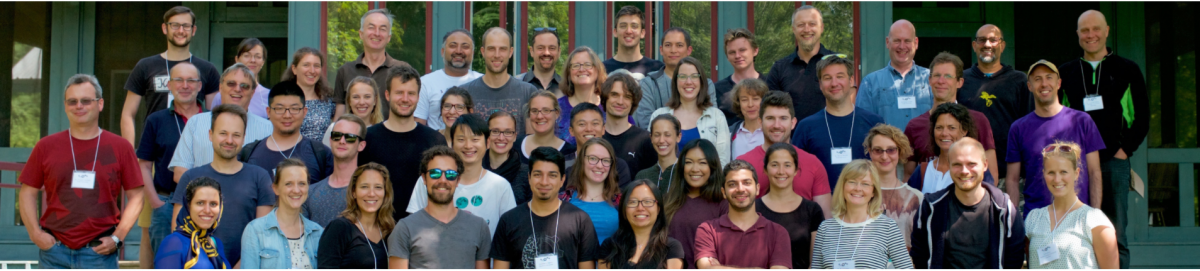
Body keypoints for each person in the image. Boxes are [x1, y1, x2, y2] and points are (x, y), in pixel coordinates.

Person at [20, 74, 145, 269]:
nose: (79, 106)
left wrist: (118, 237)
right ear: (65, 106)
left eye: (86, 101)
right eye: (72, 101)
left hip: (99, 253)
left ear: (100, 104)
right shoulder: (46, 146)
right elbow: (27, 192)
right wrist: (35, 234)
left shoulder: (120, 147)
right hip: (54, 252)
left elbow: (137, 196)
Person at [1057, 11, 1147, 268]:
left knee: (1114, 232)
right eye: (1084, 30)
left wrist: (1124, 150)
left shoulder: (1127, 69)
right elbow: (1059, 117)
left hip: (1112, 162)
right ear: (1077, 35)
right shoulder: (1066, 72)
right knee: (1075, 230)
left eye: (1096, 29)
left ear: (1107, 31)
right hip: (1075, 165)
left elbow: (1141, 117)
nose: (1090, 35)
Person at [171, 104, 276, 267]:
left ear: (243, 138)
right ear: (210, 135)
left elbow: (263, 235)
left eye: (236, 135)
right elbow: (178, 234)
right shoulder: (190, 177)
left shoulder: (259, 177)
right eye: (223, 133)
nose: (229, 140)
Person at [1006, 60, 1105, 215]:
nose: (1044, 84)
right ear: (1029, 86)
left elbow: (1094, 172)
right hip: (1036, 217)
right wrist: (1012, 222)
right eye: (1037, 79)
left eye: (1049, 77)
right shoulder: (1018, 128)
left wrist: (1096, 214)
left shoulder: (1082, 121)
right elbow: (1012, 179)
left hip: (1078, 216)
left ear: (1059, 83)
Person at [910, 138, 1024, 269]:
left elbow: (1014, 258)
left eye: (971, 164)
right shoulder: (930, 207)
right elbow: (920, 254)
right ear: (949, 165)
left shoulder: (1005, 209)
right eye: (957, 164)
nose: (964, 171)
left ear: (985, 165)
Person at [135, 62, 206, 268]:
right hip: (166, 203)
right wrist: (155, 202)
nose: (185, 85)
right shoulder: (155, 120)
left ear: (199, 86)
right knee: (166, 264)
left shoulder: (213, 119)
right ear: (169, 85)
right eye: (178, 80)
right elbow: (144, 165)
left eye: (191, 81)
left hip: (205, 205)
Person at [357, 65, 447, 221]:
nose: (405, 99)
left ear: (418, 97)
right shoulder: (368, 138)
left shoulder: (435, 140)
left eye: (411, 93)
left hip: (422, 229)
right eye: (399, 93)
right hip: (377, 228)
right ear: (387, 95)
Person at [121, 6, 221, 146]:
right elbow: (128, 114)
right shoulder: (145, 66)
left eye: (186, 26)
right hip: (154, 148)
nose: (180, 31)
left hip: (196, 148)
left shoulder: (207, 69)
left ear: (193, 30)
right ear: (164, 28)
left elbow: (212, 116)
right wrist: (130, 153)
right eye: (175, 25)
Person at [490, 147, 600, 269]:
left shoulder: (580, 220)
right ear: (529, 178)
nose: (544, 182)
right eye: (538, 174)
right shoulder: (509, 220)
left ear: (562, 180)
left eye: (552, 175)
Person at [406, 114, 518, 235]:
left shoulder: (500, 186)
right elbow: (414, 226)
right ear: (452, 143)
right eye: (461, 139)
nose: (468, 146)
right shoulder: (432, 180)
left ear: (488, 143)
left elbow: (510, 232)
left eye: (475, 139)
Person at [389, 146, 492, 269]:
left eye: (450, 174)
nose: (443, 180)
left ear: (457, 180)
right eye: (435, 173)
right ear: (424, 179)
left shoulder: (479, 227)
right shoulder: (405, 229)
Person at [791, 54, 884, 190]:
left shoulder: (874, 123)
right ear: (821, 85)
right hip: (820, 207)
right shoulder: (806, 127)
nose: (834, 83)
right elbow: (797, 173)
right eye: (827, 78)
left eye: (840, 76)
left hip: (864, 206)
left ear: (851, 80)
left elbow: (884, 167)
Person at [169, 63, 274, 182]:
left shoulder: (268, 128)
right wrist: (209, 194)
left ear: (253, 92)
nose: (237, 89)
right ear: (220, 87)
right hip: (203, 198)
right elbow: (180, 173)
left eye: (244, 86)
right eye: (231, 83)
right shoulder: (196, 123)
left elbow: (273, 175)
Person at [956, 24, 1033, 185]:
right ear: (974, 45)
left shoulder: (1019, 81)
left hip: (1011, 175)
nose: (987, 45)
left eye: (993, 40)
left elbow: (1029, 128)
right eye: (982, 40)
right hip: (968, 173)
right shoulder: (962, 80)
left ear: (1002, 45)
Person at [903, 52, 998, 182]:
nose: (941, 81)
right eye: (936, 75)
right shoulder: (914, 126)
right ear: (929, 80)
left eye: (948, 76)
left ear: (959, 82)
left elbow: (991, 175)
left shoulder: (978, 120)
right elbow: (909, 176)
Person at [736, 91, 831, 216]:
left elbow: (824, 220)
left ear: (793, 123)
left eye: (783, 118)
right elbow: (736, 215)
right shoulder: (743, 165)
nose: (777, 125)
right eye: (770, 118)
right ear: (760, 122)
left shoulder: (813, 164)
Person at [1026, 141, 1119, 269]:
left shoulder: (1094, 220)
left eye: (1064, 172)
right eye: (1051, 173)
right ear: (1044, 174)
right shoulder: (1033, 219)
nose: (1057, 179)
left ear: (1076, 173)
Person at [810, 160, 913, 269]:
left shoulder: (887, 227)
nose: (858, 188)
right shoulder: (825, 228)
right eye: (852, 182)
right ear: (843, 186)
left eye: (865, 184)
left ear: (873, 191)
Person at [694, 160, 792, 269]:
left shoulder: (778, 233)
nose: (740, 189)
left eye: (747, 183)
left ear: (757, 189)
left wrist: (721, 268)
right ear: (723, 192)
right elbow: (707, 269)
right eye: (732, 184)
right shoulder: (707, 230)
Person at [239, 82, 334, 184]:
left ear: (304, 112)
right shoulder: (248, 153)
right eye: (280, 108)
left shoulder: (321, 154)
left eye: (294, 109)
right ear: (268, 112)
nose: (287, 115)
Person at [240, 159, 324, 269]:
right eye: (288, 184)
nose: (296, 190)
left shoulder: (317, 233)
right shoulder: (255, 231)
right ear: (276, 188)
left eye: (302, 183)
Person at [649, 57, 731, 165]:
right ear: (676, 81)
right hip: (668, 181)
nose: (688, 82)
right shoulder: (659, 115)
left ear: (701, 81)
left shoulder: (716, 116)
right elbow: (651, 158)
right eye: (682, 76)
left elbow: (723, 161)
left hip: (707, 181)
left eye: (694, 76)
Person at [755, 143, 825, 269]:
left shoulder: (812, 210)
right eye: (775, 165)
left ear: (796, 170)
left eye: (787, 165)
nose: (781, 171)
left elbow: (815, 263)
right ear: (765, 169)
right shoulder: (753, 209)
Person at [763, 5, 839, 120]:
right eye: (801, 25)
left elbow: (847, 105)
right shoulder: (779, 68)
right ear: (794, 29)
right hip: (792, 137)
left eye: (812, 24)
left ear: (822, 28)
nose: (807, 29)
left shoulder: (837, 64)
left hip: (830, 136)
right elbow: (770, 111)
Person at [332, 8, 412, 118]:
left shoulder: (402, 69)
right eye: (371, 27)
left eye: (382, 29)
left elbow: (410, 110)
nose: (377, 33)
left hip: (390, 135)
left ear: (389, 37)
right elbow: (340, 115)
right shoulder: (345, 71)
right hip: (354, 134)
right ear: (361, 34)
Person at [661, 139, 728, 269]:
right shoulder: (668, 200)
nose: (695, 169)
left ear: (712, 166)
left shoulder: (723, 203)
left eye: (702, 163)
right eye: (689, 162)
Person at [634, 28, 718, 128]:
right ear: (661, 50)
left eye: (679, 45)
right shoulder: (648, 84)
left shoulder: (705, 84)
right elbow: (647, 125)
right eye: (668, 45)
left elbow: (713, 122)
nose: (673, 50)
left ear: (689, 50)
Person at [856, 19, 932, 131]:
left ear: (916, 43)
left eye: (907, 41)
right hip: (887, 148)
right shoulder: (870, 82)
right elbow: (861, 125)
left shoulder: (932, 79)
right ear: (887, 42)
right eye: (897, 41)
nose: (902, 46)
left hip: (924, 148)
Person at [463, 27, 539, 136]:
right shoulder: (466, 92)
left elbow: (533, 139)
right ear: (483, 52)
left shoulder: (528, 92)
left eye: (502, 49)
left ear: (510, 52)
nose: (497, 55)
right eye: (491, 49)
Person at [317, 163, 395, 269]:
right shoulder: (339, 228)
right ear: (354, 192)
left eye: (378, 187)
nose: (371, 193)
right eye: (364, 187)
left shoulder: (390, 230)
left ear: (385, 193)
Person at [908, 103, 995, 194]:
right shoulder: (922, 171)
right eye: (939, 128)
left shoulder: (975, 170)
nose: (944, 133)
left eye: (952, 128)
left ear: (964, 131)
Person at [598, 180, 685, 269]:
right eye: (633, 202)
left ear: (658, 209)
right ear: (624, 210)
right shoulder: (609, 246)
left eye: (648, 201)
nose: (640, 208)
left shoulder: (671, 248)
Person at [862, 124, 923, 249]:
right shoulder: (858, 193)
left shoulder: (915, 197)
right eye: (878, 150)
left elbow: (922, 245)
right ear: (870, 151)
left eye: (891, 150)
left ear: (900, 152)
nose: (884, 156)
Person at [305, 114, 369, 227]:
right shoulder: (310, 192)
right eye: (337, 135)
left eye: (350, 137)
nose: (342, 141)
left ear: (361, 145)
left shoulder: (371, 191)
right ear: (330, 140)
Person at [154, 177, 230, 269]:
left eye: (213, 204)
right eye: (200, 203)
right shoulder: (174, 242)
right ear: (188, 206)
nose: (207, 210)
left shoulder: (216, 243)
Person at [416, 29, 483, 129]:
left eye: (465, 46)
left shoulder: (482, 82)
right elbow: (418, 128)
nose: (459, 51)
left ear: (472, 53)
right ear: (442, 51)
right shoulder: (425, 83)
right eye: (453, 46)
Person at [563, 138, 623, 243]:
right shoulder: (564, 200)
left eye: (605, 160)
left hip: (610, 258)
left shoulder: (621, 202)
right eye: (593, 158)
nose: (600, 166)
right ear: (582, 161)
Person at [271, 47, 336, 142]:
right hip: (291, 154)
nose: (312, 71)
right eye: (306, 65)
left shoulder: (328, 100)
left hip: (322, 155)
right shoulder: (282, 99)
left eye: (316, 66)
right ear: (294, 69)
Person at [563, 103, 634, 186]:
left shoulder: (618, 166)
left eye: (595, 123)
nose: (589, 129)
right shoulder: (562, 164)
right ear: (571, 131)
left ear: (603, 129)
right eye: (582, 124)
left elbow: (621, 197)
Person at [602, 72, 658, 173]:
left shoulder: (646, 140)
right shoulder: (594, 136)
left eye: (627, 97)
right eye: (615, 95)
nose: (620, 101)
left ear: (633, 102)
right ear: (605, 97)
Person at [558, 47, 612, 144]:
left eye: (588, 65)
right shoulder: (557, 108)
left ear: (597, 70)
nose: (582, 69)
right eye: (576, 65)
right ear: (569, 72)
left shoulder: (611, 106)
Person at [212, 38, 271, 119]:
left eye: (258, 56)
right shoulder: (222, 95)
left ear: (263, 62)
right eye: (247, 55)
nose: (252, 60)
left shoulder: (269, 96)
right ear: (237, 59)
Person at [484, 111, 532, 205]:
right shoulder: (474, 169)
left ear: (514, 137)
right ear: (487, 135)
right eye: (495, 131)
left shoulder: (527, 174)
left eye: (508, 132)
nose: (501, 138)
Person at [715, 28, 761, 124]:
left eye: (742, 50)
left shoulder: (770, 84)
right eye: (732, 52)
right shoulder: (717, 89)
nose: (737, 56)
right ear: (727, 57)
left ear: (755, 51)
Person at [604, 6, 664, 78]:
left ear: (642, 33)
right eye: (623, 26)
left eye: (634, 26)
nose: (628, 31)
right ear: (615, 32)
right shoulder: (602, 69)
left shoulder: (658, 69)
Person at [322, 76, 383, 147]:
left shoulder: (383, 132)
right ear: (349, 101)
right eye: (356, 97)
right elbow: (325, 156)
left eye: (367, 97)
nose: (362, 102)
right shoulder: (334, 130)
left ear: (375, 100)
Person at [519, 90, 575, 164]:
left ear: (556, 114)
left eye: (546, 110)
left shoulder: (570, 152)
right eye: (534, 111)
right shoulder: (515, 145)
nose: (539, 116)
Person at [634, 115, 682, 184]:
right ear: (651, 138)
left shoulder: (685, 173)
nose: (661, 140)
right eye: (657, 135)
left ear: (678, 137)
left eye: (667, 135)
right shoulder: (642, 176)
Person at [727, 79, 766, 159]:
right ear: (738, 103)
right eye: (744, 100)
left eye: (755, 99)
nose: (750, 104)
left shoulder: (773, 132)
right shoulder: (729, 134)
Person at [517, 27, 564, 94]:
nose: (546, 53)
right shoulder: (516, 85)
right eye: (540, 48)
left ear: (559, 51)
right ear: (531, 51)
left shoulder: (567, 88)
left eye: (552, 48)